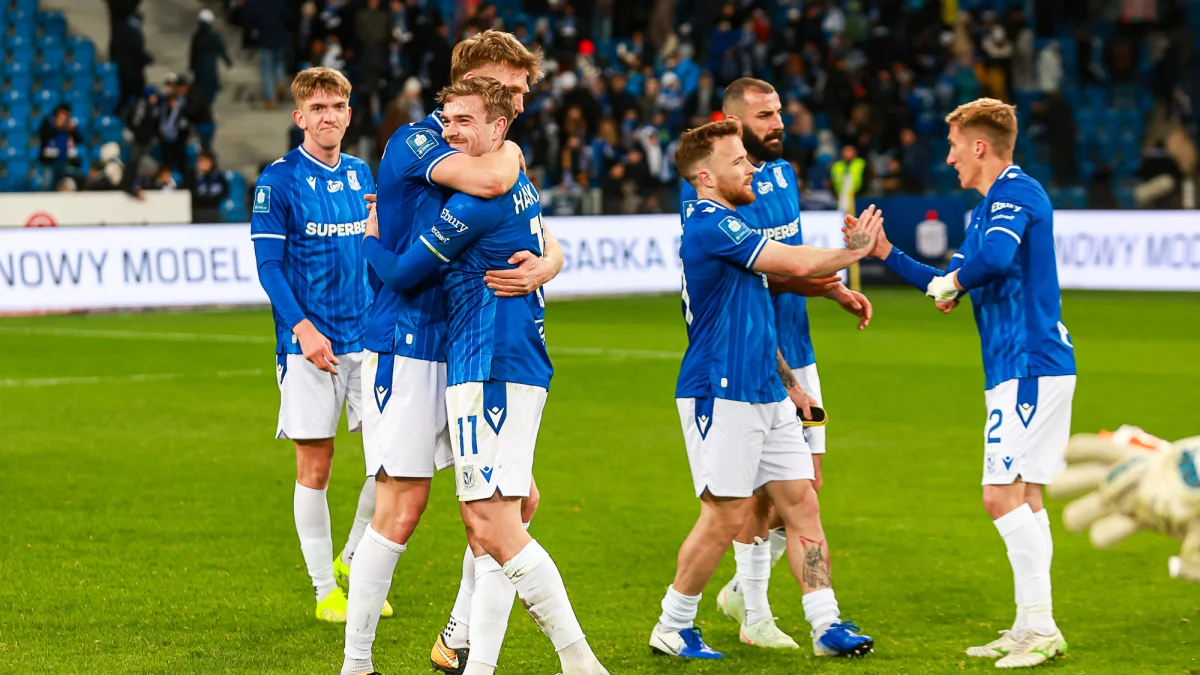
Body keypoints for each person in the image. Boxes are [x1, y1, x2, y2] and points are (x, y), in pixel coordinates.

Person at [358, 75, 609, 675]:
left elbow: (404, 270)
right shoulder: (487, 165)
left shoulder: (481, 189)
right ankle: (463, 658)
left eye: (464, 121)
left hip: (487, 358)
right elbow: (516, 201)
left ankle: (576, 662)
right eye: (449, 119)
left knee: (494, 521)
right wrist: (548, 258)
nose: (451, 131)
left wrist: (367, 237)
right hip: (472, 354)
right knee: (483, 515)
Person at [858, 97, 1075, 668]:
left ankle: (1042, 627)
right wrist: (887, 253)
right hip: (1022, 367)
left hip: (1028, 364)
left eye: (955, 146)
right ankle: (1029, 623)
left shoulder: (1015, 193)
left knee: (999, 496)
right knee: (1026, 496)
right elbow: (948, 282)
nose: (949, 158)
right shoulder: (984, 210)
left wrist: (955, 283)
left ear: (980, 146)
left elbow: (995, 261)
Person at [649, 119, 878, 661]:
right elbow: (793, 262)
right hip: (720, 389)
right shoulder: (710, 224)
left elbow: (753, 319)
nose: (751, 169)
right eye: (738, 162)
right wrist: (855, 252)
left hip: (765, 390)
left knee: (802, 504)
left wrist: (790, 386)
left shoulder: (732, 224)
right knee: (725, 515)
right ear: (706, 177)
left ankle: (825, 624)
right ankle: (672, 625)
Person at [249, 67, 387, 625]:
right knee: (317, 465)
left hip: (366, 339)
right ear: (299, 117)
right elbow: (269, 267)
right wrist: (302, 329)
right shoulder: (278, 181)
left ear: (349, 114)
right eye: (318, 108)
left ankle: (351, 559)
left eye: (337, 107)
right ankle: (325, 589)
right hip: (308, 346)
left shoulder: (361, 173)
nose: (328, 116)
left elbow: (374, 251)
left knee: (392, 464)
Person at [189, 9, 233, 106]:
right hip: (210, 66)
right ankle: (207, 105)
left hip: (198, 67)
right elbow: (221, 49)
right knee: (210, 88)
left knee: (200, 88)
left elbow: (192, 52)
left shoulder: (197, 36)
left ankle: (202, 105)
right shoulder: (214, 36)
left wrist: (191, 65)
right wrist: (228, 61)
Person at [38, 104, 83, 187]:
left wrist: (72, 131)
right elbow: (43, 136)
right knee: (47, 185)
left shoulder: (69, 125)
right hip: (49, 162)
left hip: (65, 162)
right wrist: (56, 128)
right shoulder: (48, 122)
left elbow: (80, 140)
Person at [191, 151, 229, 222]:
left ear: (211, 162)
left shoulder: (219, 177)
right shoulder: (191, 177)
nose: (203, 164)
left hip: (215, 212)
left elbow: (225, 193)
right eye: (201, 161)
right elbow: (187, 195)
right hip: (196, 213)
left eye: (206, 161)